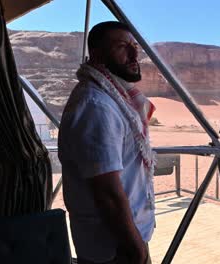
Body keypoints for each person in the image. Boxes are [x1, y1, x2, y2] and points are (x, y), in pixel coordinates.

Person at [58, 21, 156, 264]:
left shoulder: (113, 98)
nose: (135, 54)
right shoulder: (96, 105)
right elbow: (107, 191)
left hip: (125, 237)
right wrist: (136, 249)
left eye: (135, 46)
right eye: (122, 47)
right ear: (98, 54)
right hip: (115, 247)